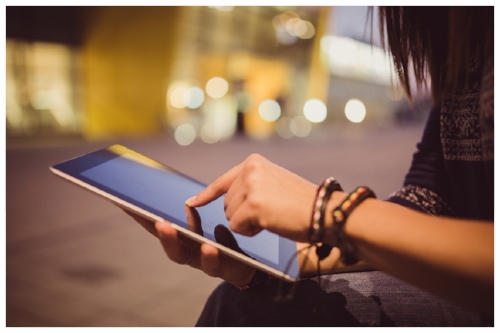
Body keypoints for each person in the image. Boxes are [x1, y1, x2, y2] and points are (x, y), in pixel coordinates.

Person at [127, 6, 494, 326]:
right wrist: (277, 261)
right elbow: (430, 199)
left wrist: (327, 212)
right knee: (242, 303)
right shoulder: (467, 35)